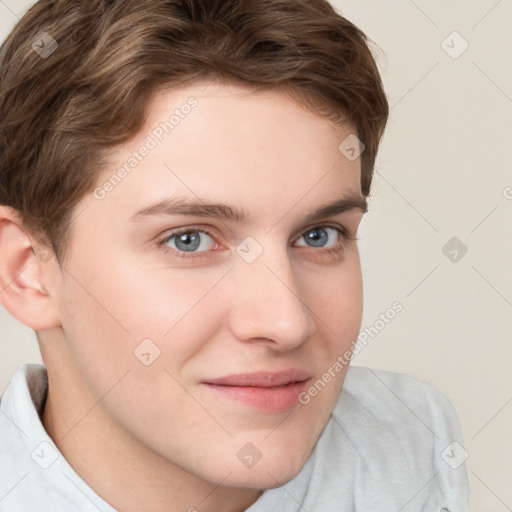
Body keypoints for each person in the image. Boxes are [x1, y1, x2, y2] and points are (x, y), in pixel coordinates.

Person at [0, 0, 469, 510]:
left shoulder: (410, 436)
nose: (287, 322)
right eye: (189, 240)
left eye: (319, 235)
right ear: (27, 272)